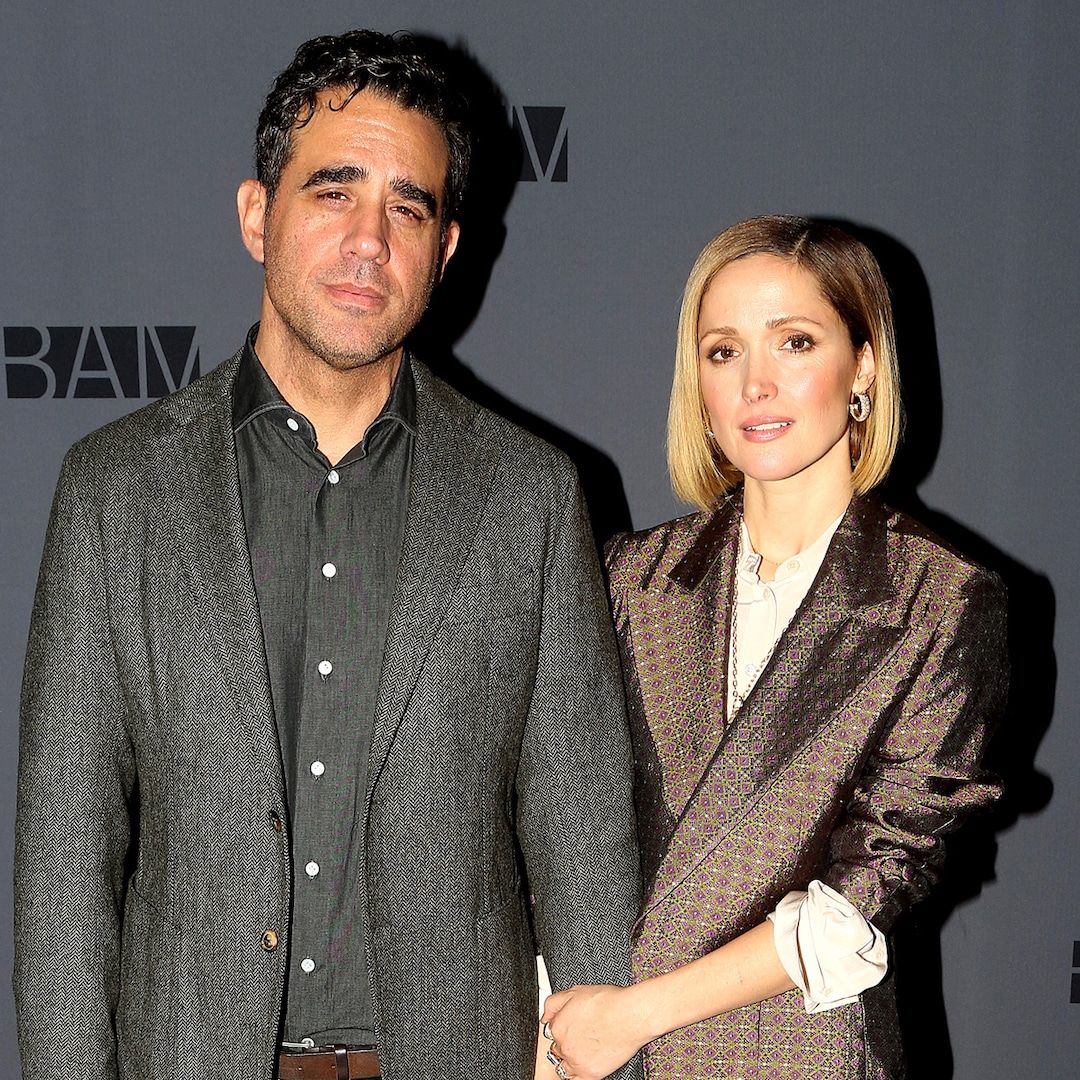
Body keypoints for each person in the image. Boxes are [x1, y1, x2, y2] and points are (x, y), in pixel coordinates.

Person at [14, 30, 642, 1080]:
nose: (369, 241)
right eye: (333, 191)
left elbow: (583, 847)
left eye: (409, 208)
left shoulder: (529, 496)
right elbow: (63, 862)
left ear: (446, 249)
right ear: (256, 215)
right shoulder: (114, 490)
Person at [539, 216, 1007, 1079]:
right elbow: (562, 830)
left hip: (800, 1052)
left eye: (794, 342)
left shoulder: (939, 598)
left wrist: (633, 1016)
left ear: (863, 366)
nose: (756, 384)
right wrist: (557, 1034)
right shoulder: (631, 579)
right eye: (723, 352)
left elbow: (866, 890)